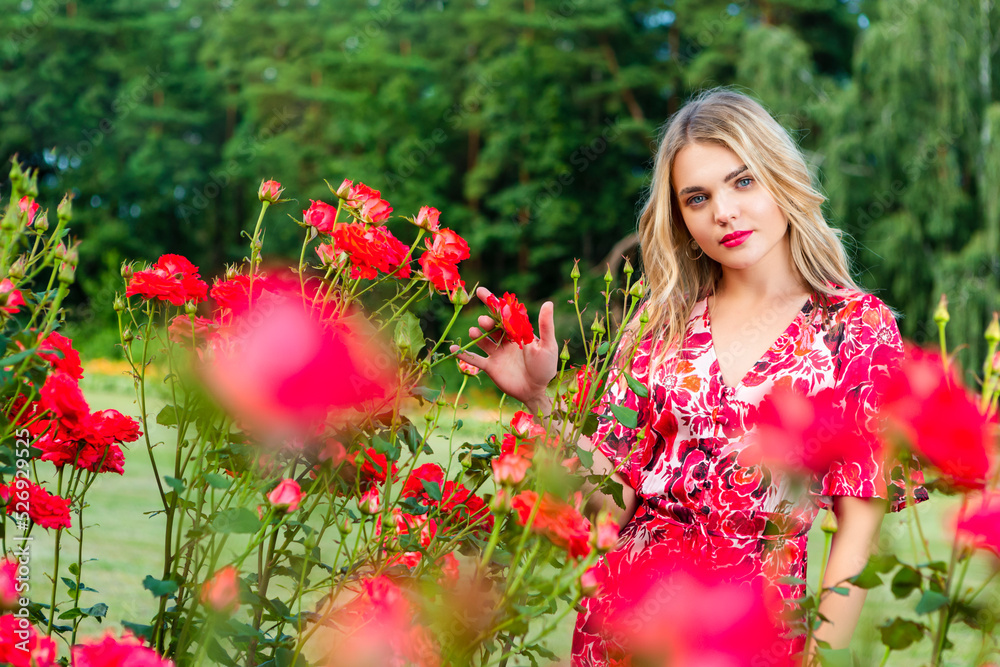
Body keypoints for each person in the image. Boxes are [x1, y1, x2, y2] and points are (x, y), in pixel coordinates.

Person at [451, 88, 927, 665]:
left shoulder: (856, 327)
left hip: (753, 628)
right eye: (697, 198)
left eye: (742, 181)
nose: (722, 211)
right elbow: (613, 499)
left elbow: (858, 522)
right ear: (680, 217)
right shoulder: (660, 325)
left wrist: (822, 655)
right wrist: (539, 398)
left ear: (782, 179)